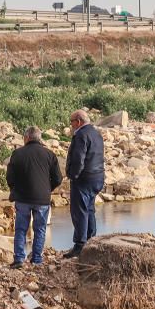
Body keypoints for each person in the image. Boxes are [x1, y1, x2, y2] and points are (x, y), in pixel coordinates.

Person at [6, 126, 63, 269]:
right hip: (42, 199)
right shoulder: (49, 154)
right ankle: (37, 259)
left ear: (27, 138)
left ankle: (19, 259)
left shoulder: (17, 154)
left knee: (20, 229)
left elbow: (10, 177)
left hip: (22, 198)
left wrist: (14, 189)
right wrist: (47, 189)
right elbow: (58, 178)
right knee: (40, 229)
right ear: (39, 138)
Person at [64, 110, 105, 259]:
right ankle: (91, 240)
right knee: (89, 209)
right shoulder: (96, 133)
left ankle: (80, 245)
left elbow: (78, 158)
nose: (71, 125)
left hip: (84, 178)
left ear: (79, 121)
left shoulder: (81, 135)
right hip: (97, 177)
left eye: (72, 122)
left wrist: (73, 176)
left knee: (79, 211)